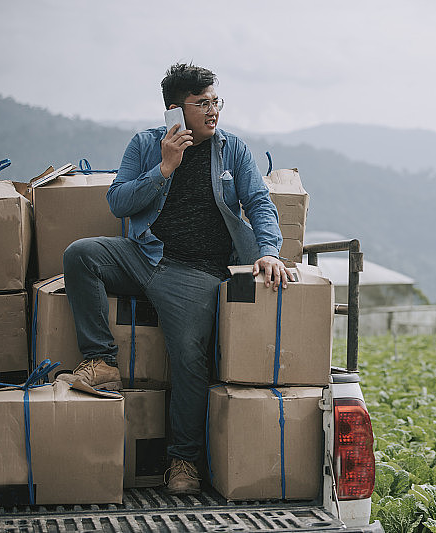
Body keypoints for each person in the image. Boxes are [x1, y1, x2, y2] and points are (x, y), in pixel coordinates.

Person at [58, 63, 292, 495]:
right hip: (144, 255)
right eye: (202, 103)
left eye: (216, 101)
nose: (213, 111)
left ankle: (183, 460)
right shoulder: (146, 144)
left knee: (188, 356)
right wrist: (164, 168)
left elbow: (259, 202)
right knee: (81, 254)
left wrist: (268, 251)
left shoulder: (233, 150)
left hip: (197, 272)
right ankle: (102, 361)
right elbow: (118, 202)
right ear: (175, 110)